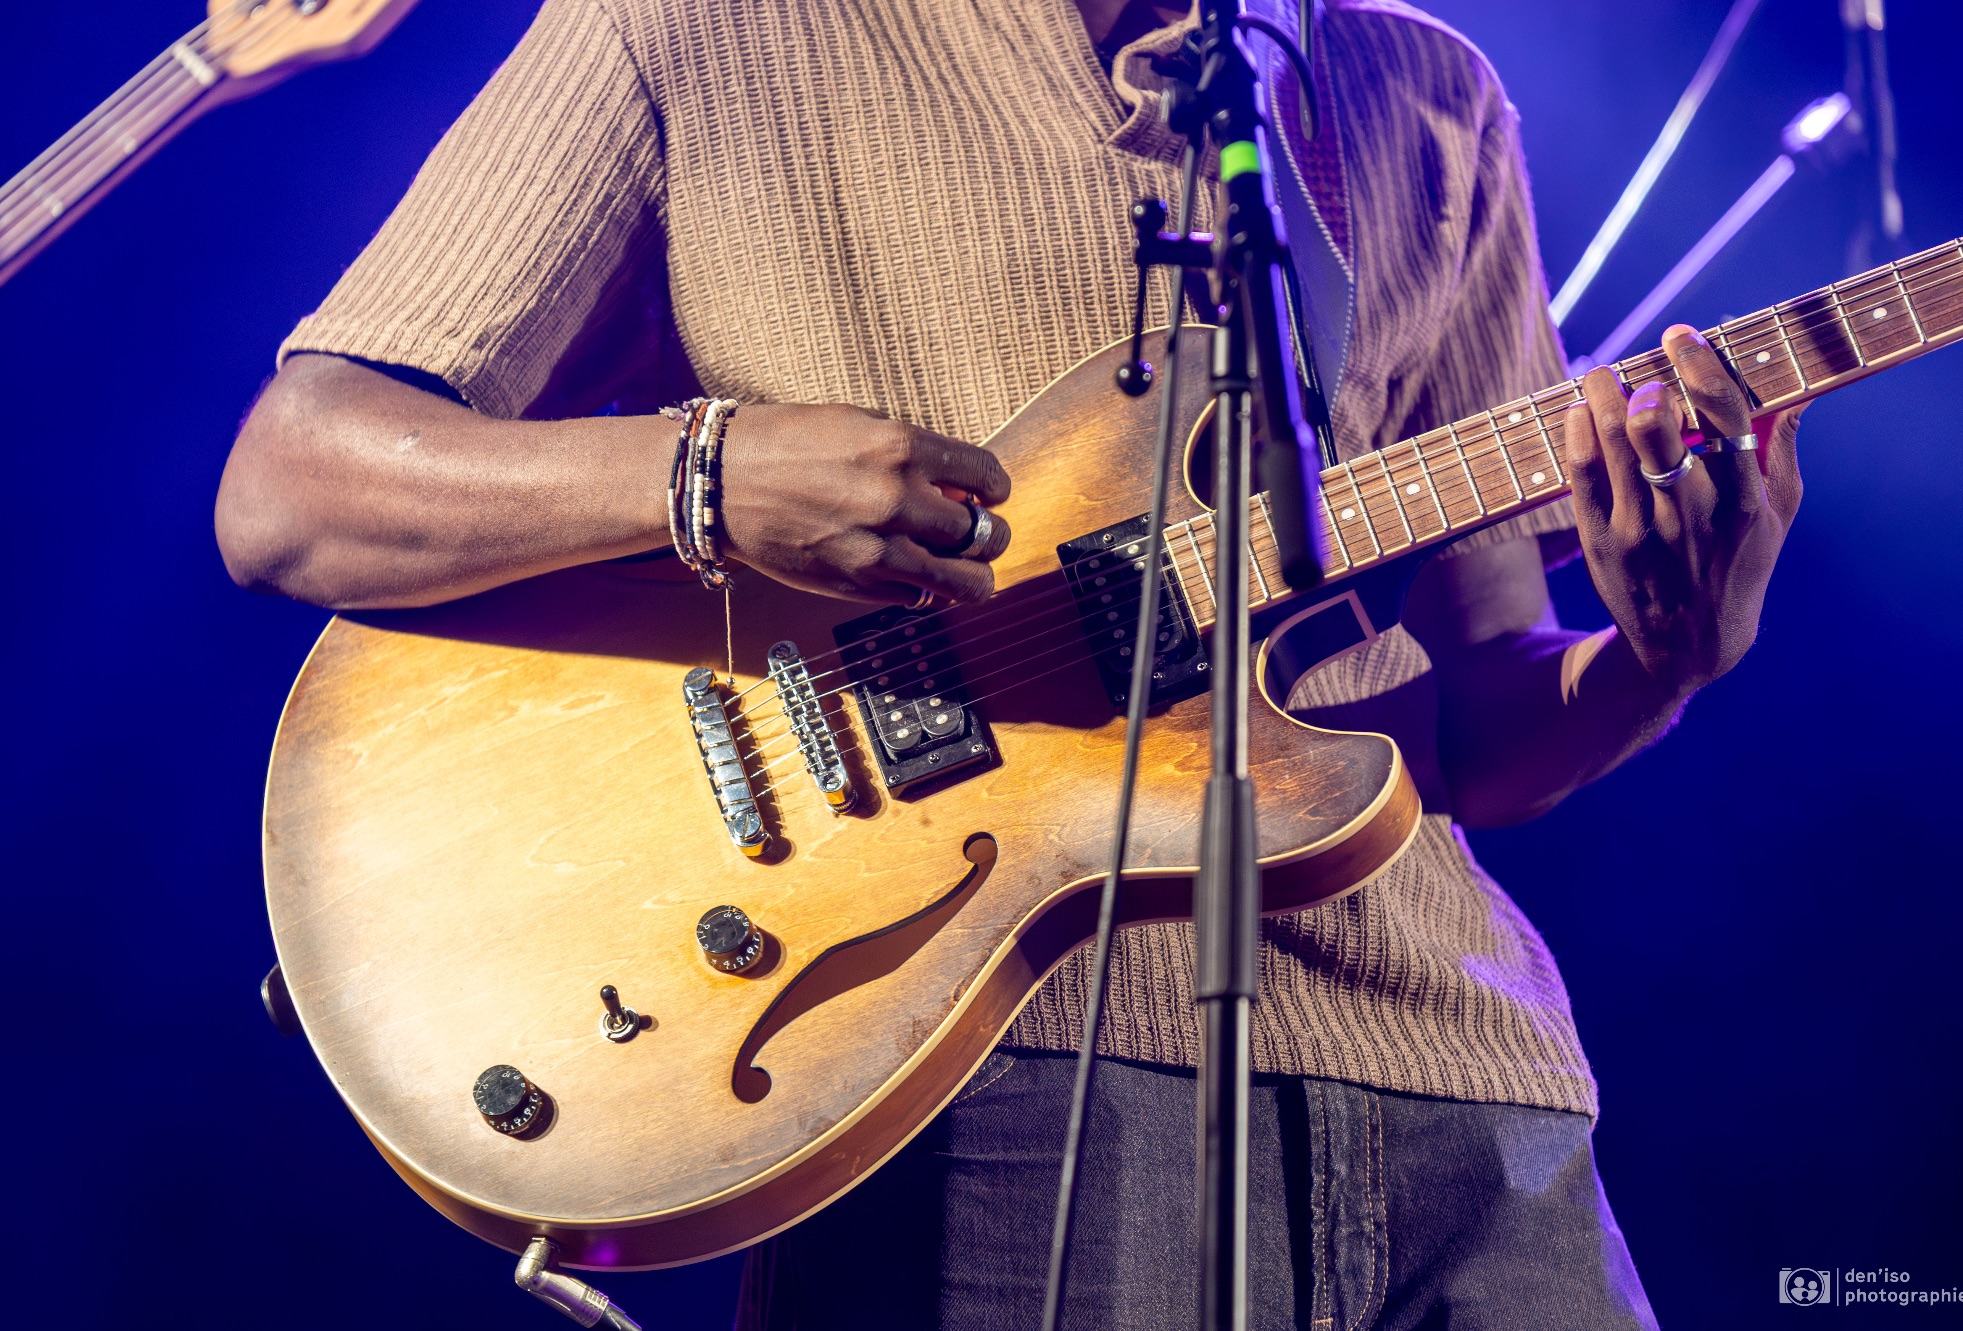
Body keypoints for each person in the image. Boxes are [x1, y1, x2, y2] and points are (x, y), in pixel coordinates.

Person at [213, 1, 1802, 1326]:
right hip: (987, 1057)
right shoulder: (702, 22)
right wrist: (706, 472)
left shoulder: (1422, 91)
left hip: (1471, 1088)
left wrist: (1661, 663)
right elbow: (298, 481)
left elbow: (1481, 711)